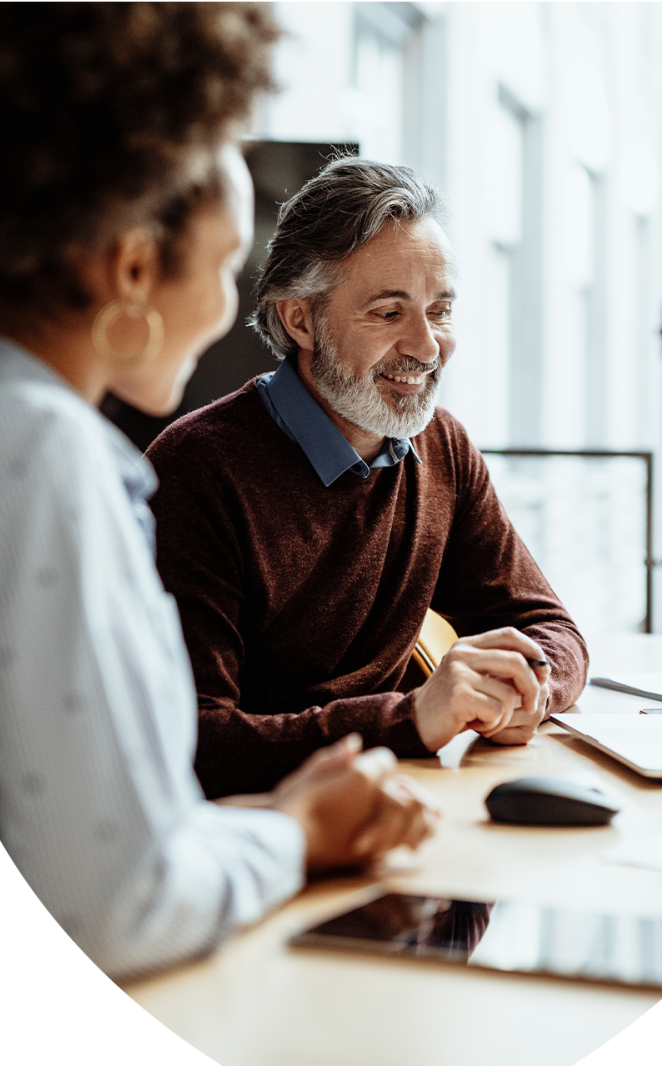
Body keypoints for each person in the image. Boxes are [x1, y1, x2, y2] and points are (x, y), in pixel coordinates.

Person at [0, 1, 438, 983]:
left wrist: (271, 815)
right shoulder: (45, 463)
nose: (236, 307)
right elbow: (118, 906)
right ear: (133, 268)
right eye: (229, 266)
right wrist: (297, 831)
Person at [146, 157, 590, 798]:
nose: (427, 346)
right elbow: (195, 744)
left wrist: (529, 686)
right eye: (389, 314)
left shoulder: (441, 446)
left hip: (405, 809)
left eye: (439, 311)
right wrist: (412, 718)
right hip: (268, 841)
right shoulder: (193, 474)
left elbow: (552, 628)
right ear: (300, 320)